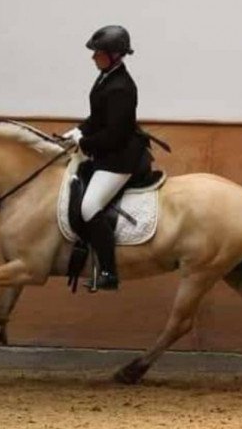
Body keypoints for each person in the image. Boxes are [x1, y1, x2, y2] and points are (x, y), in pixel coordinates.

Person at [63, 25, 151, 291]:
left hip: (119, 158)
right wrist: (78, 129)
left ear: (114, 54)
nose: (93, 58)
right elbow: (98, 117)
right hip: (106, 153)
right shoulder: (106, 77)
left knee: (89, 207)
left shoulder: (122, 87)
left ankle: (109, 272)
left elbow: (115, 134)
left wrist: (85, 142)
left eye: (98, 53)